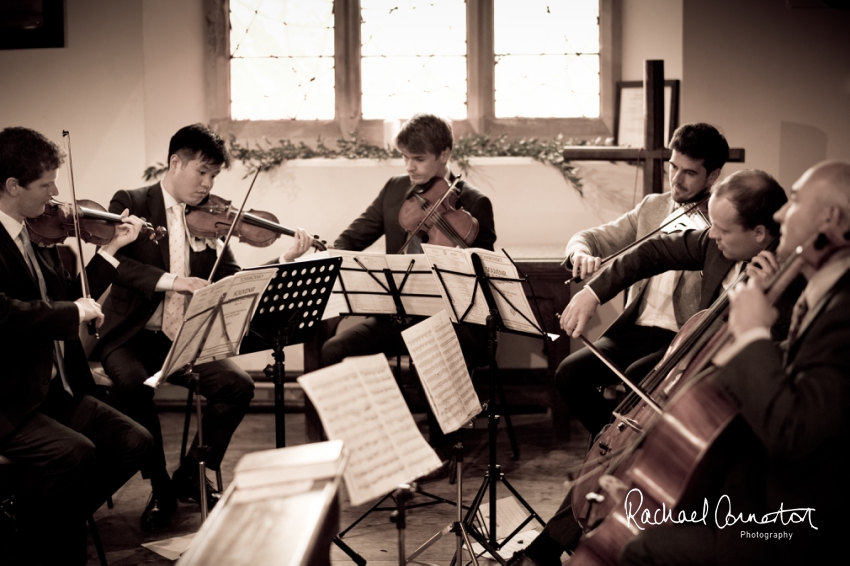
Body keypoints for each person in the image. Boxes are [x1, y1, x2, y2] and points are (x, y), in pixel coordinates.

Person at [508, 169, 796, 566]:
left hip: (735, 411)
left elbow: (788, 364)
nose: (712, 236)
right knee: (623, 432)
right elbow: (652, 251)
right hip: (692, 375)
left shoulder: (794, 283)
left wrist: (769, 314)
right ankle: (569, 541)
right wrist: (593, 292)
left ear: (761, 234)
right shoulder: (717, 244)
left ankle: (572, 544)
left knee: (637, 444)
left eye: (724, 231)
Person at [619, 160, 850, 565]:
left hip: (798, 519)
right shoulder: (826, 288)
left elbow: (793, 432)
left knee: (641, 552)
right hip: (763, 486)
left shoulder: (843, 310)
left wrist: (756, 335)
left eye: (794, 201)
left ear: (829, 219)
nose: (780, 214)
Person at [89, 123, 313, 531]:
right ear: (176, 163)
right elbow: (119, 266)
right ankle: (159, 486)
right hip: (133, 336)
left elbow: (233, 277)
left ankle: (193, 472)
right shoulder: (132, 201)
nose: (208, 184)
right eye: (202, 172)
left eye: (214, 176)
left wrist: (284, 260)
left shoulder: (209, 219)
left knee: (238, 387)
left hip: (185, 335)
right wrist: (174, 281)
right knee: (133, 385)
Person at [0, 126, 153, 565]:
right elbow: (3, 314)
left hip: (51, 391)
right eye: (46, 184)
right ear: (13, 186)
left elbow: (69, 293)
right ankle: (48, 541)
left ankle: (36, 527)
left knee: (133, 442)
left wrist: (113, 250)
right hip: (8, 399)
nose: (54, 197)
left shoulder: (35, 234)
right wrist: (72, 314)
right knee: (78, 454)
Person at [319, 113, 496, 457]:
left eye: (419, 158)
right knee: (334, 350)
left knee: (425, 345)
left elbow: (479, 274)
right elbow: (355, 236)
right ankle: (365, 445)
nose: (409, 167)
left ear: (444, 155)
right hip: (397, 316)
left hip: (452, 322)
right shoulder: (394, 189)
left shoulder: (473, 203)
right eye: (405, 157)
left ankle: (443, 448)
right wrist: (328, 255)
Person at [556, 123, 730, 440]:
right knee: (570, 374)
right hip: (635, 330)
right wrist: (580, 252)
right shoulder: (653, 206)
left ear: (713, 176)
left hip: (680, 335)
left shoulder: (720, 224)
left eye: (689, 173)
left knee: (639, 380)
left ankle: (629, 449)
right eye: (673, 166)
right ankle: (612, 445)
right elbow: (592, 237)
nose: (676, 179)